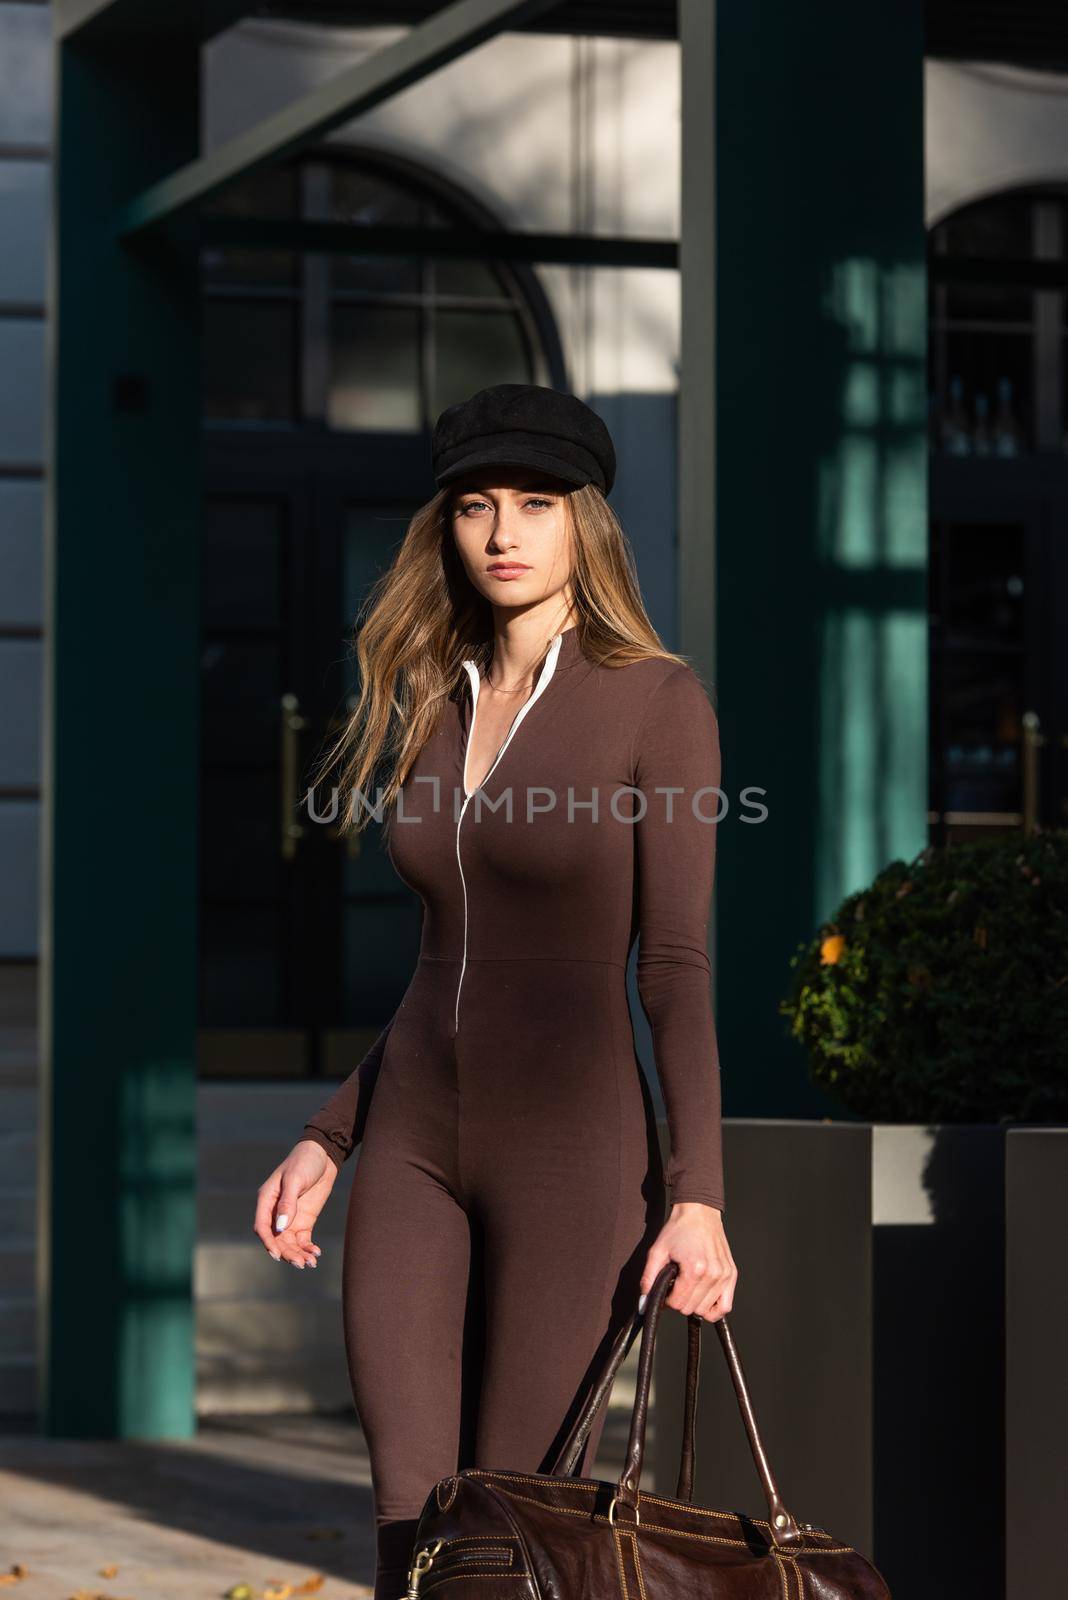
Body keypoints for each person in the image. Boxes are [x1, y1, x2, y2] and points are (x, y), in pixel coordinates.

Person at [253, 383, 737, 1599]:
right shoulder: (432, 694)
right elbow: (440, 966)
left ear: (588, 524)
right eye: (475, 506)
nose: (503, 532)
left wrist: (701, 1196)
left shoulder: (657, 703)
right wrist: (330, 1134)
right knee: (405, 1526)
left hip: (572, 1159)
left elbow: (674, 969)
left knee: (505, 1535)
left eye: (533, 504)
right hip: (414, 1145)